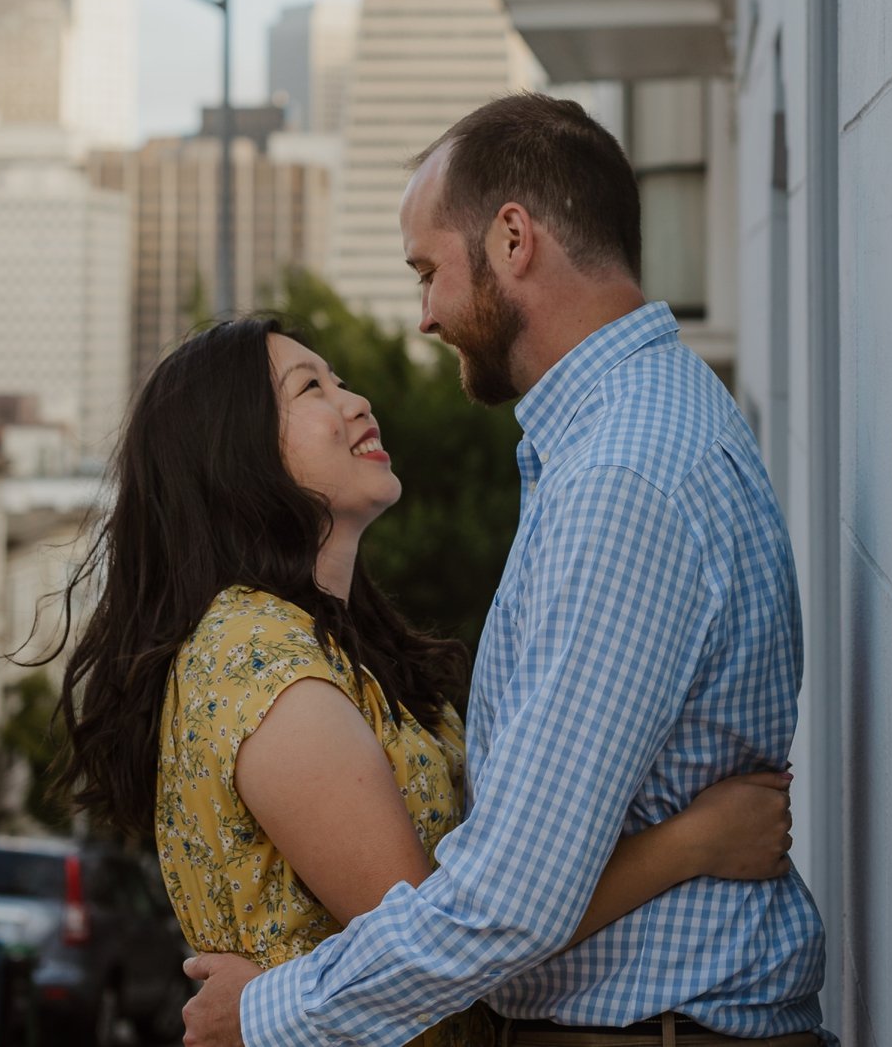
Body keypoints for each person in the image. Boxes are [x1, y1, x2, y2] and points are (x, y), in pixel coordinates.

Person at [180, 93, 829, 1047]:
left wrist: (269, 1012)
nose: (428, 315)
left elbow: (508, 899)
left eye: (429, 271)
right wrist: (687, 843)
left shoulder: (619, 478)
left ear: (513, 239)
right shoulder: (653, 418)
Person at [49, 319, 793, 1047]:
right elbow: (453, 947)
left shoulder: (331, 648)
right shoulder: (258, 665)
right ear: (234, 454)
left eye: (339, 377)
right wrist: (695, 842)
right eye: (311, 387)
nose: (357, 399)